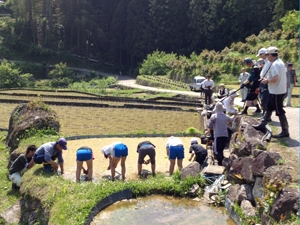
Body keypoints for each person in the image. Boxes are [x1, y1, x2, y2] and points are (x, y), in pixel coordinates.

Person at [253, 46, 289, 138]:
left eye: (267, 55)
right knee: (269, 107)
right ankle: (262, 124)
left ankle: (285, 131)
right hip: (276, 90)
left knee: (279, 110)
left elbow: (275, 78)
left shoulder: (275, 64)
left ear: (270, 55)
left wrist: (266, 81)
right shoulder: (279, 62)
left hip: (277, 91)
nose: (266, 56)